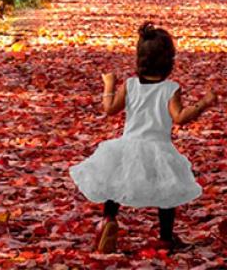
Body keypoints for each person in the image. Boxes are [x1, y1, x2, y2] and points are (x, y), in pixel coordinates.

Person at [70, 22, 217, 253]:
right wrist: (204, 104)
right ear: (169, 61)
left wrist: (109, 85)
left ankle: (108, 220)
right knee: (168, 192)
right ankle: (166, 238)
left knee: (115, 183)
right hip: (158, 148)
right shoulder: (170, 88)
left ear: (139, 59)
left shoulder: (130, 86)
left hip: (128, 145)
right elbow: (179, 117)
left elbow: (109, 109)